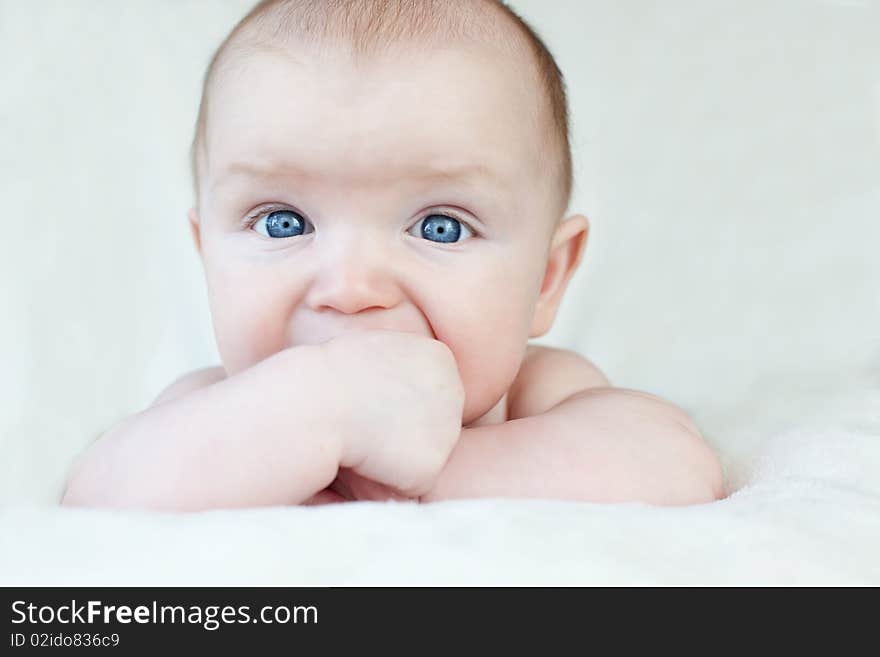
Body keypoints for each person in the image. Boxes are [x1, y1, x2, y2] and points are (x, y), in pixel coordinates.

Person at [62, 0, 724, 511]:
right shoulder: (218, 406)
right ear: (207, 256)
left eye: (440, 226)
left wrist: (426, 473)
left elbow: (678, 463)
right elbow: (96, 492)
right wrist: (315, 413)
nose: (351, 288)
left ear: (547, 278)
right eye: (283, 221)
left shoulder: (539, 396)